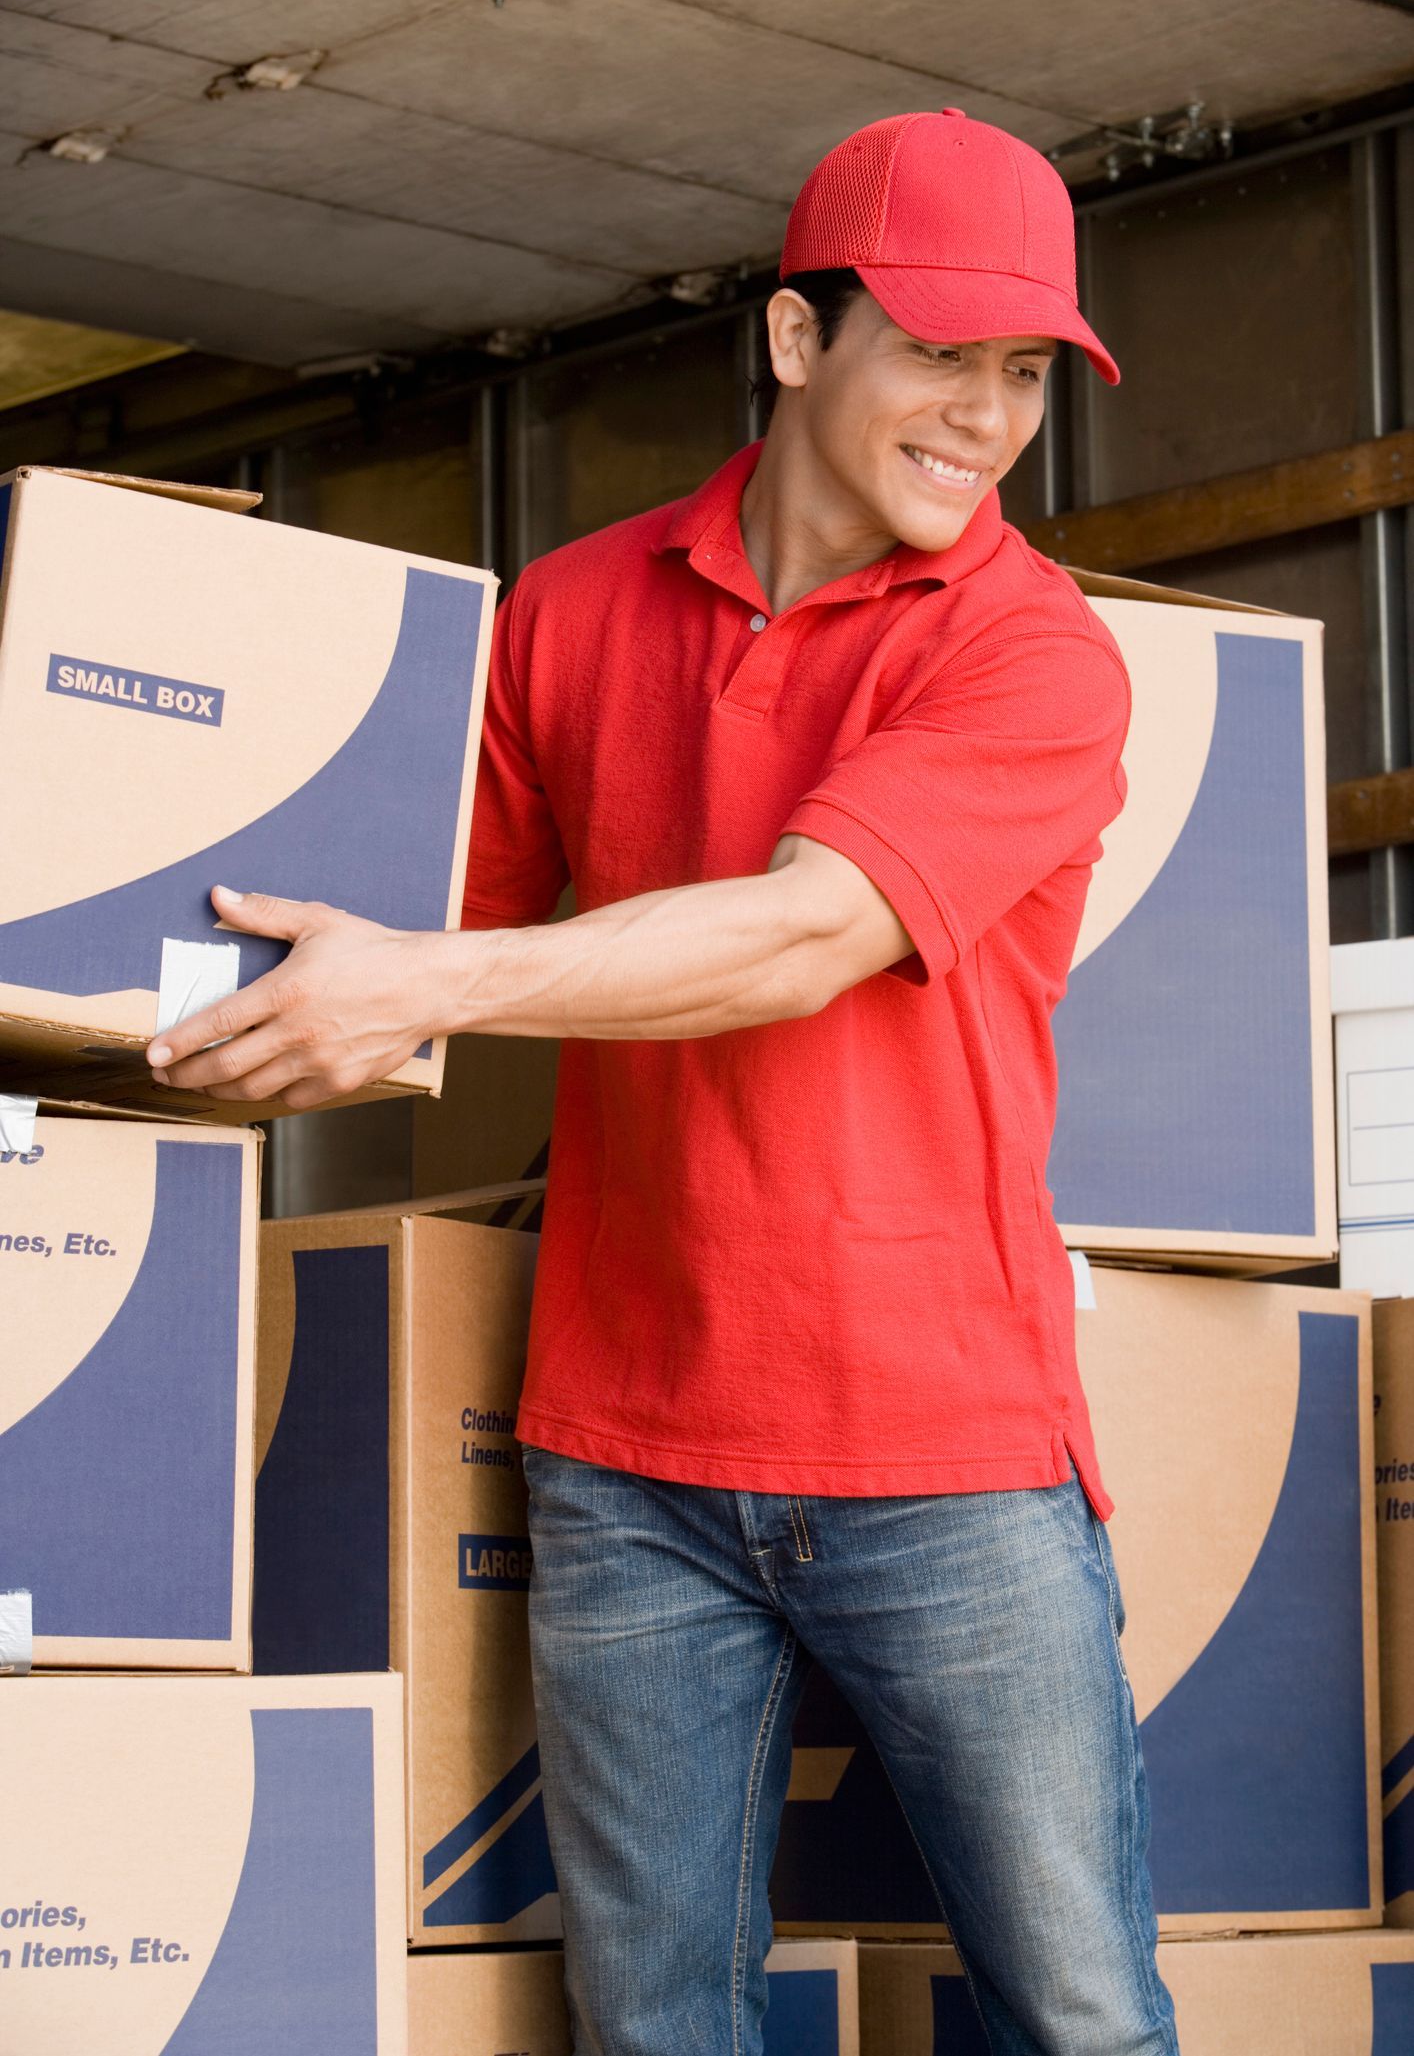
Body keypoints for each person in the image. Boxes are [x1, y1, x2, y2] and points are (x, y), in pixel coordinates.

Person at [147, 109, 1179, 2055]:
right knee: (652, 2022)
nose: (985, 413)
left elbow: (795, 935)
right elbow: (404, 944)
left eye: (1026, 369)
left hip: (945, 1452)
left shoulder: (1033, 652)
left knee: (1077, 2014)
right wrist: (155, 973)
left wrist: (425, 977)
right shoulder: (570, 608)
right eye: (941, 351)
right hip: (623, 1446)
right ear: (796, 339)